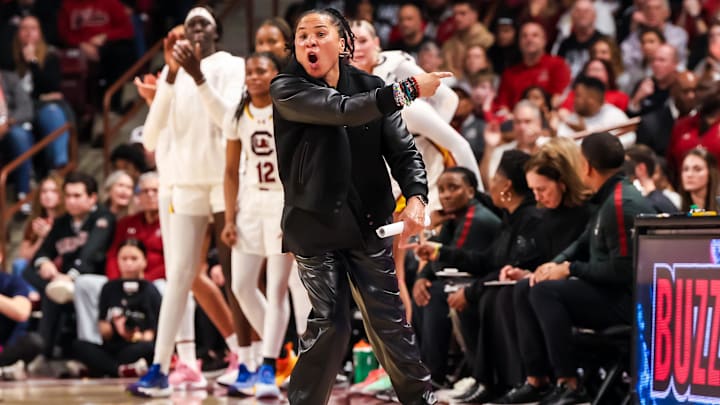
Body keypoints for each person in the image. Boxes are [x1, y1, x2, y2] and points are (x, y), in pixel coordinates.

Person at [270, 7, 451, 405]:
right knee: (331, 325)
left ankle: (421, 401)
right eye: (302, 36)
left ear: (343, 42)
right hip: (313, 225)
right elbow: (342, 111)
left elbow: (404, 152)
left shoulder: (370, 87)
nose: (309, 42)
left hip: (368, 221)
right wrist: (408, 90)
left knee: (389, 323)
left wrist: (417, 197)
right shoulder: (287, 88)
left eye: (319, 33)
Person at [127, 6, 247, 397]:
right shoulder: (170, 72)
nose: (195, 30)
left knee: (238, 278)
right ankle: (161, 368)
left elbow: (228, 120)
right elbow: (150, 137)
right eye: (190, 24)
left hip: (225, 181)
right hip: (184, 185)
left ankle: (252, 361)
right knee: (179, 275)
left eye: (204, 24)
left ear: (217, 34)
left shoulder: (232, 65)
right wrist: (172, 77)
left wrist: (196, 76)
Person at [493, 132, 653, 405]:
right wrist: (549, 268)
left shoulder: (620, 203)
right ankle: (537, 380)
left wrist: (570, 269)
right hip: (609, 292)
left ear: (586, 166)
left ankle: (570, 383)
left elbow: (623, 272)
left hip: (629, 303)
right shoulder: (608, 196)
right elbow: (580, 244)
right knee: (527, 287)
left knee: (546, 293)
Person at [415, 150, 545, 402]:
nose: (491, 185)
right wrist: (438, 251)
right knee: (451, 291)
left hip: (513, 289)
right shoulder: (511, 216)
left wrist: (470, 291)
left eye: (494, 179)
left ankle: (485, 380)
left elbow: (506, 267)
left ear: (506, 185)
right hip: (492, 284)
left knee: (470, 296)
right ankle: (480, 378)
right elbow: (487, 260)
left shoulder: (529, 218)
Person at [221, 52, 310, 398]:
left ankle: (268, 365)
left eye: (262, 70)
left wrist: (295, 211)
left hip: (281, 201)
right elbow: (229, 171)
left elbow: (301, 166)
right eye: (250, 71)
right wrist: (229, 217)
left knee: (278, 288)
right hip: (250, 201)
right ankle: (281, 346)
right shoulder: (238, 112)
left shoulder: (289, 109)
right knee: (241, 285)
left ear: (276, 73)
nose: (254, 76)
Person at [412, 167, 501, 385]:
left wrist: (433, 231)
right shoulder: (455, 217)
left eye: (453, 188)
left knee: (434, 293)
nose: (446, 195)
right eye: (441, 189)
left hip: (485, 283)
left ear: (470, 191)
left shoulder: (476, 218)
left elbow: (445, 259)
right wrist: (421, 277)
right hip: (467, 280)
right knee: (423, 289)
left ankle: (434, 374)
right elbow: (437, 262)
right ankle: (423, 371)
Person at [23, 172, 116, 359]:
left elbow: (91, 255)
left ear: (92, 198)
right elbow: (41, 253)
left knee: (56, 292)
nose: (71, 201)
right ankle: (44, 353)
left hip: (93, 279)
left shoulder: (103, 218)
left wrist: (70, 276)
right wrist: (45, 263)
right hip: (63, 281)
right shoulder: (62, 222)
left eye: (77, 196)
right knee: (30, 274)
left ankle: (45, 353)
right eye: (68, 196)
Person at [73, 172, 164, 346]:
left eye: (155, 190)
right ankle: (91, 343)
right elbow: (113, 254)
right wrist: (116, 283)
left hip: (154, 281)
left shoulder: (170, 223)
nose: (150, 195)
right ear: (138, 197)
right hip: (120, 281)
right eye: (145, 191)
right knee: (84, 283)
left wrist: (144, 281)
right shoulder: (126, 222)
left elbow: (171, 261)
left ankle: (165, 347)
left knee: (169, 290)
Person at [72, 239, 161, 377]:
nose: (128, 263)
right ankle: (121, 370)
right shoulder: (109, 288)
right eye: (124, 259)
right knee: (79, 346)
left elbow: (152, 335)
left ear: (144, 261)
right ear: (117, 261)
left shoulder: (150, 290)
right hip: (114, 346)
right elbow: (103, 329)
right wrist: (115, 325)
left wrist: (134, 335)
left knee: (150, 349)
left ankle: (108, 369)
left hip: (139, 345)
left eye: (134, 258)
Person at [12, 15, 71, 176]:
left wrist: (33, 62)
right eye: (24, 28)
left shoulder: (50, 57)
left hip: (42, 109)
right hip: (18, 112)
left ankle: (59, 165)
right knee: (21, 132)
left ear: (40, 32)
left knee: (52, 112)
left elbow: (51, 86)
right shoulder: (9, 60)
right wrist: (40, 97)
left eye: (33, 28)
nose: (28, 33)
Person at [556, 75, 636, 148]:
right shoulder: (572, 119)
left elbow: (630, 137)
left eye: (578, 96)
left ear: (592, 99)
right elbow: (562, 145)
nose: (574, 100)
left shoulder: (613, 115)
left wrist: (587, 135)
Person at [12, 174, 64, 282]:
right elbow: (23, 256)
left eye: (54, 191)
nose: (48, 195)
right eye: (44, 191)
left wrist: (50, 236)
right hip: (37, 267)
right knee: (19, 265)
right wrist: (41, 239)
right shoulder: (35, 222)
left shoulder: (68, 220)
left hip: (60, 268)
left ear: (62, 194)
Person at [0, 271, 39, 381]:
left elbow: (22, 313)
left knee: (34, 341)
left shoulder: (12, 281)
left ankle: (6, 367)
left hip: (5, 348)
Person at [679, 147, 719, 212]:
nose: (689, 175)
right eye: (685, 169)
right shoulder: (678, 205)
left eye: (697, 169)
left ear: (711, 173)